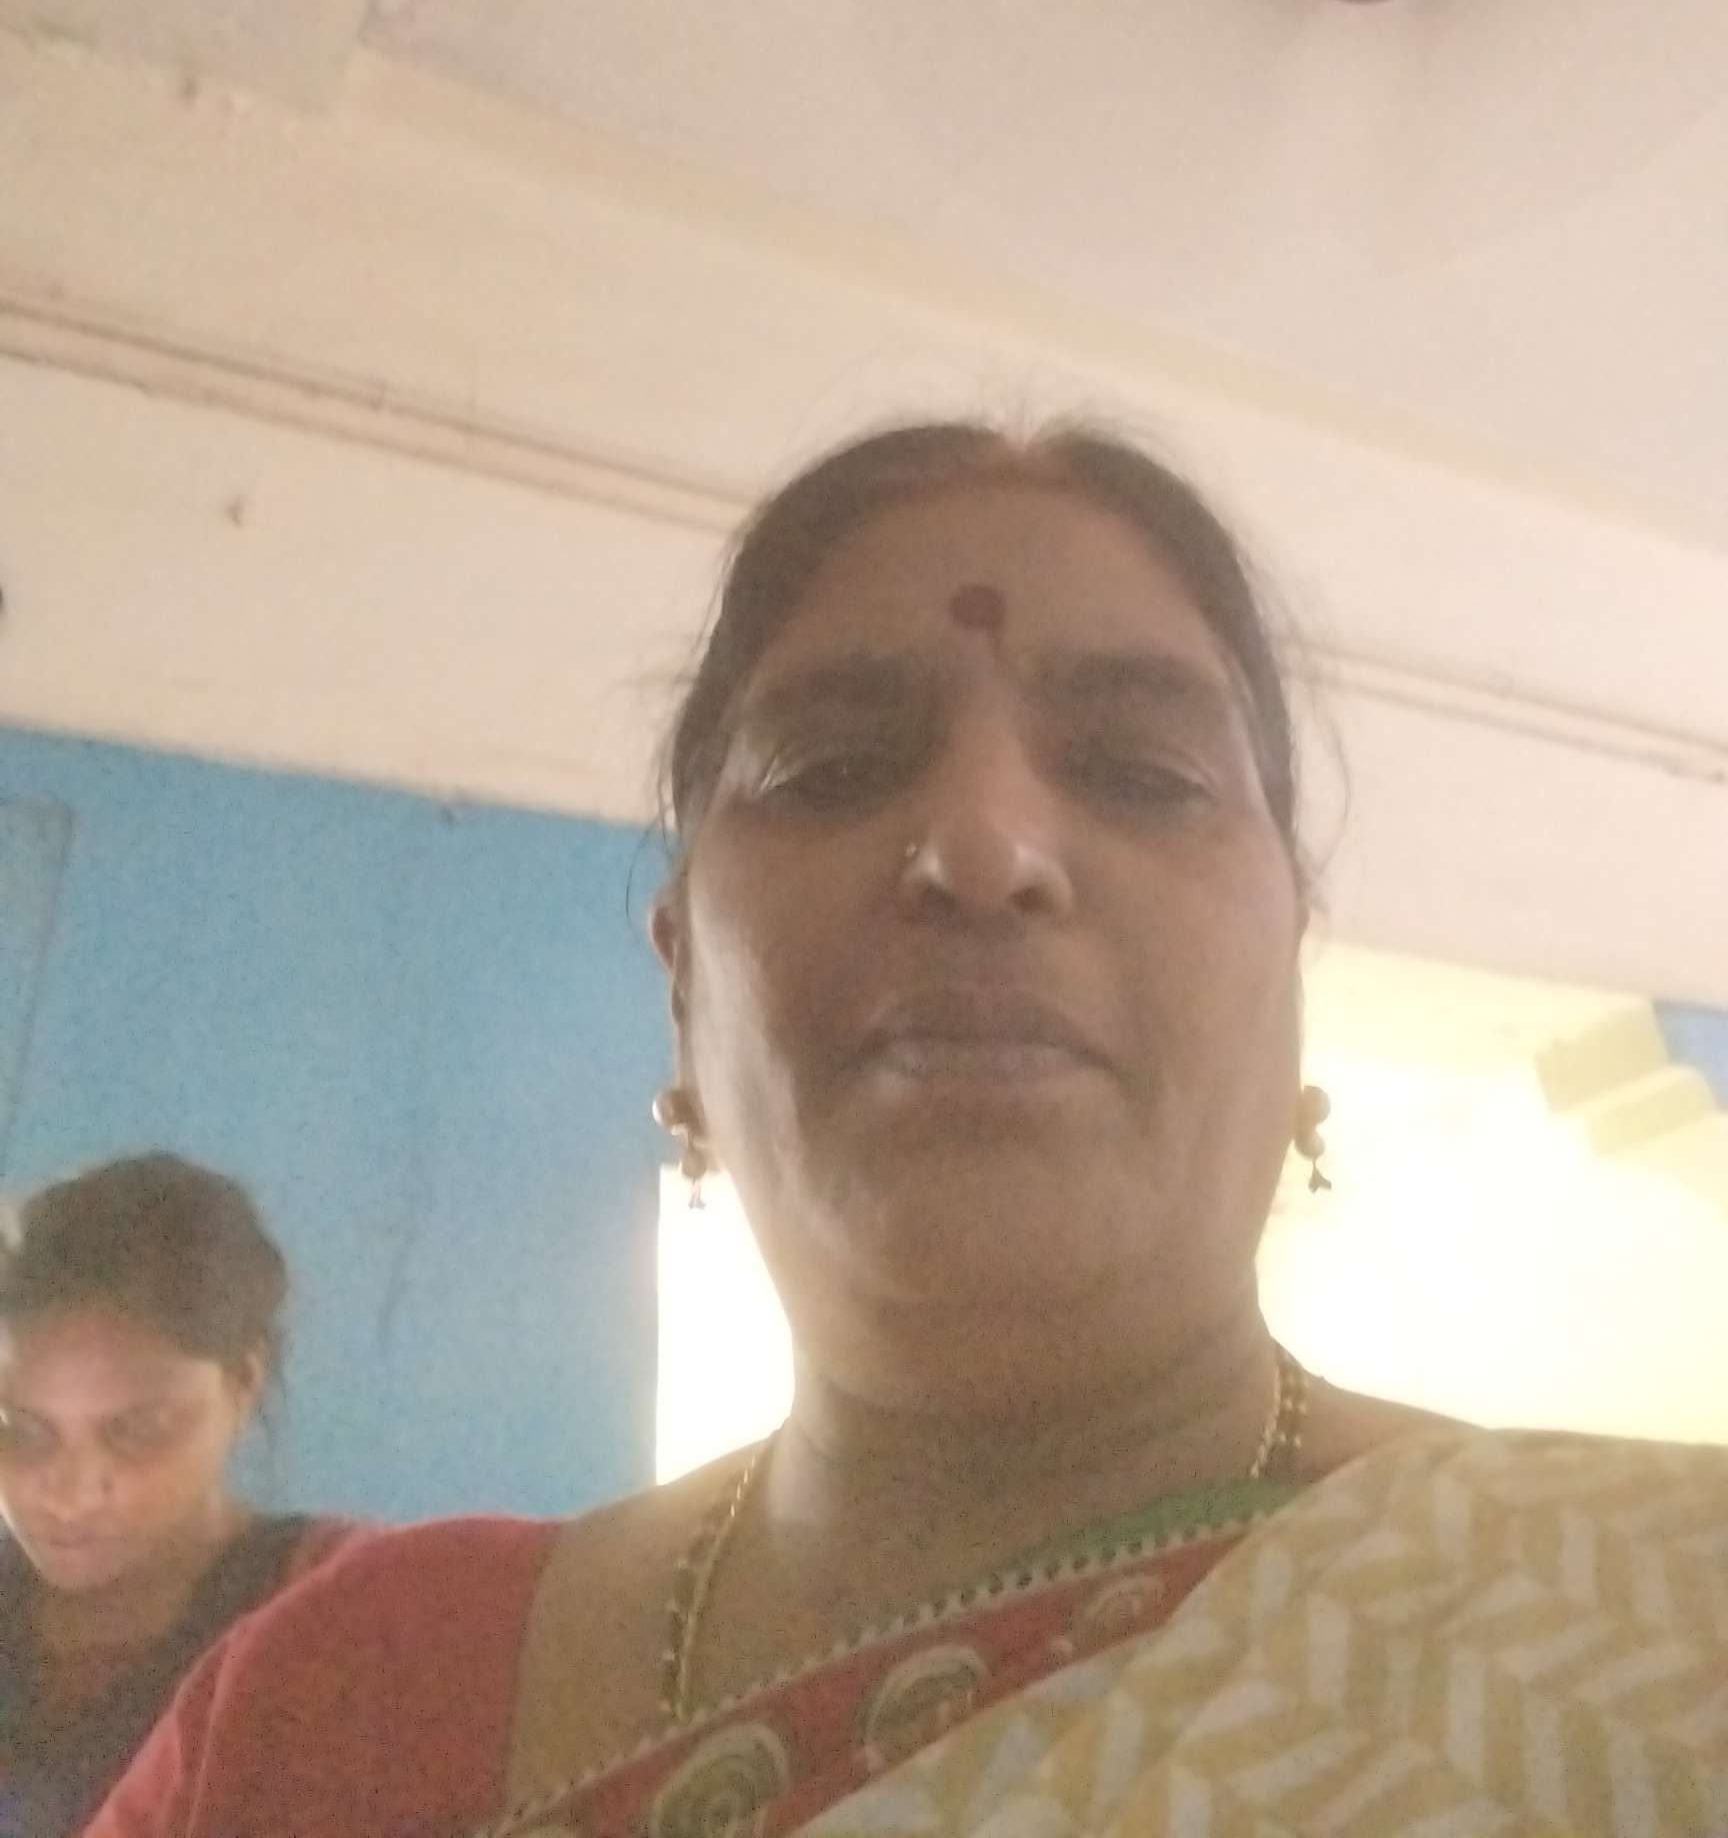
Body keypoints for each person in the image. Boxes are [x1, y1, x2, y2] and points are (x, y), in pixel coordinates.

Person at [92, 423, 1727, 1838]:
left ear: (1288, 963)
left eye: (1142, 770)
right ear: (682, 979)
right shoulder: (336, 1695)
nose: (983, 844)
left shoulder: (1672, 1626)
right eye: (829, 765)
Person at [0, 1152, 357, 1835]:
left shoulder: (351, 1606)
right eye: (21, 1431)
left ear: (242, 1384)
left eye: (138, 1431)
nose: (73, 1492)